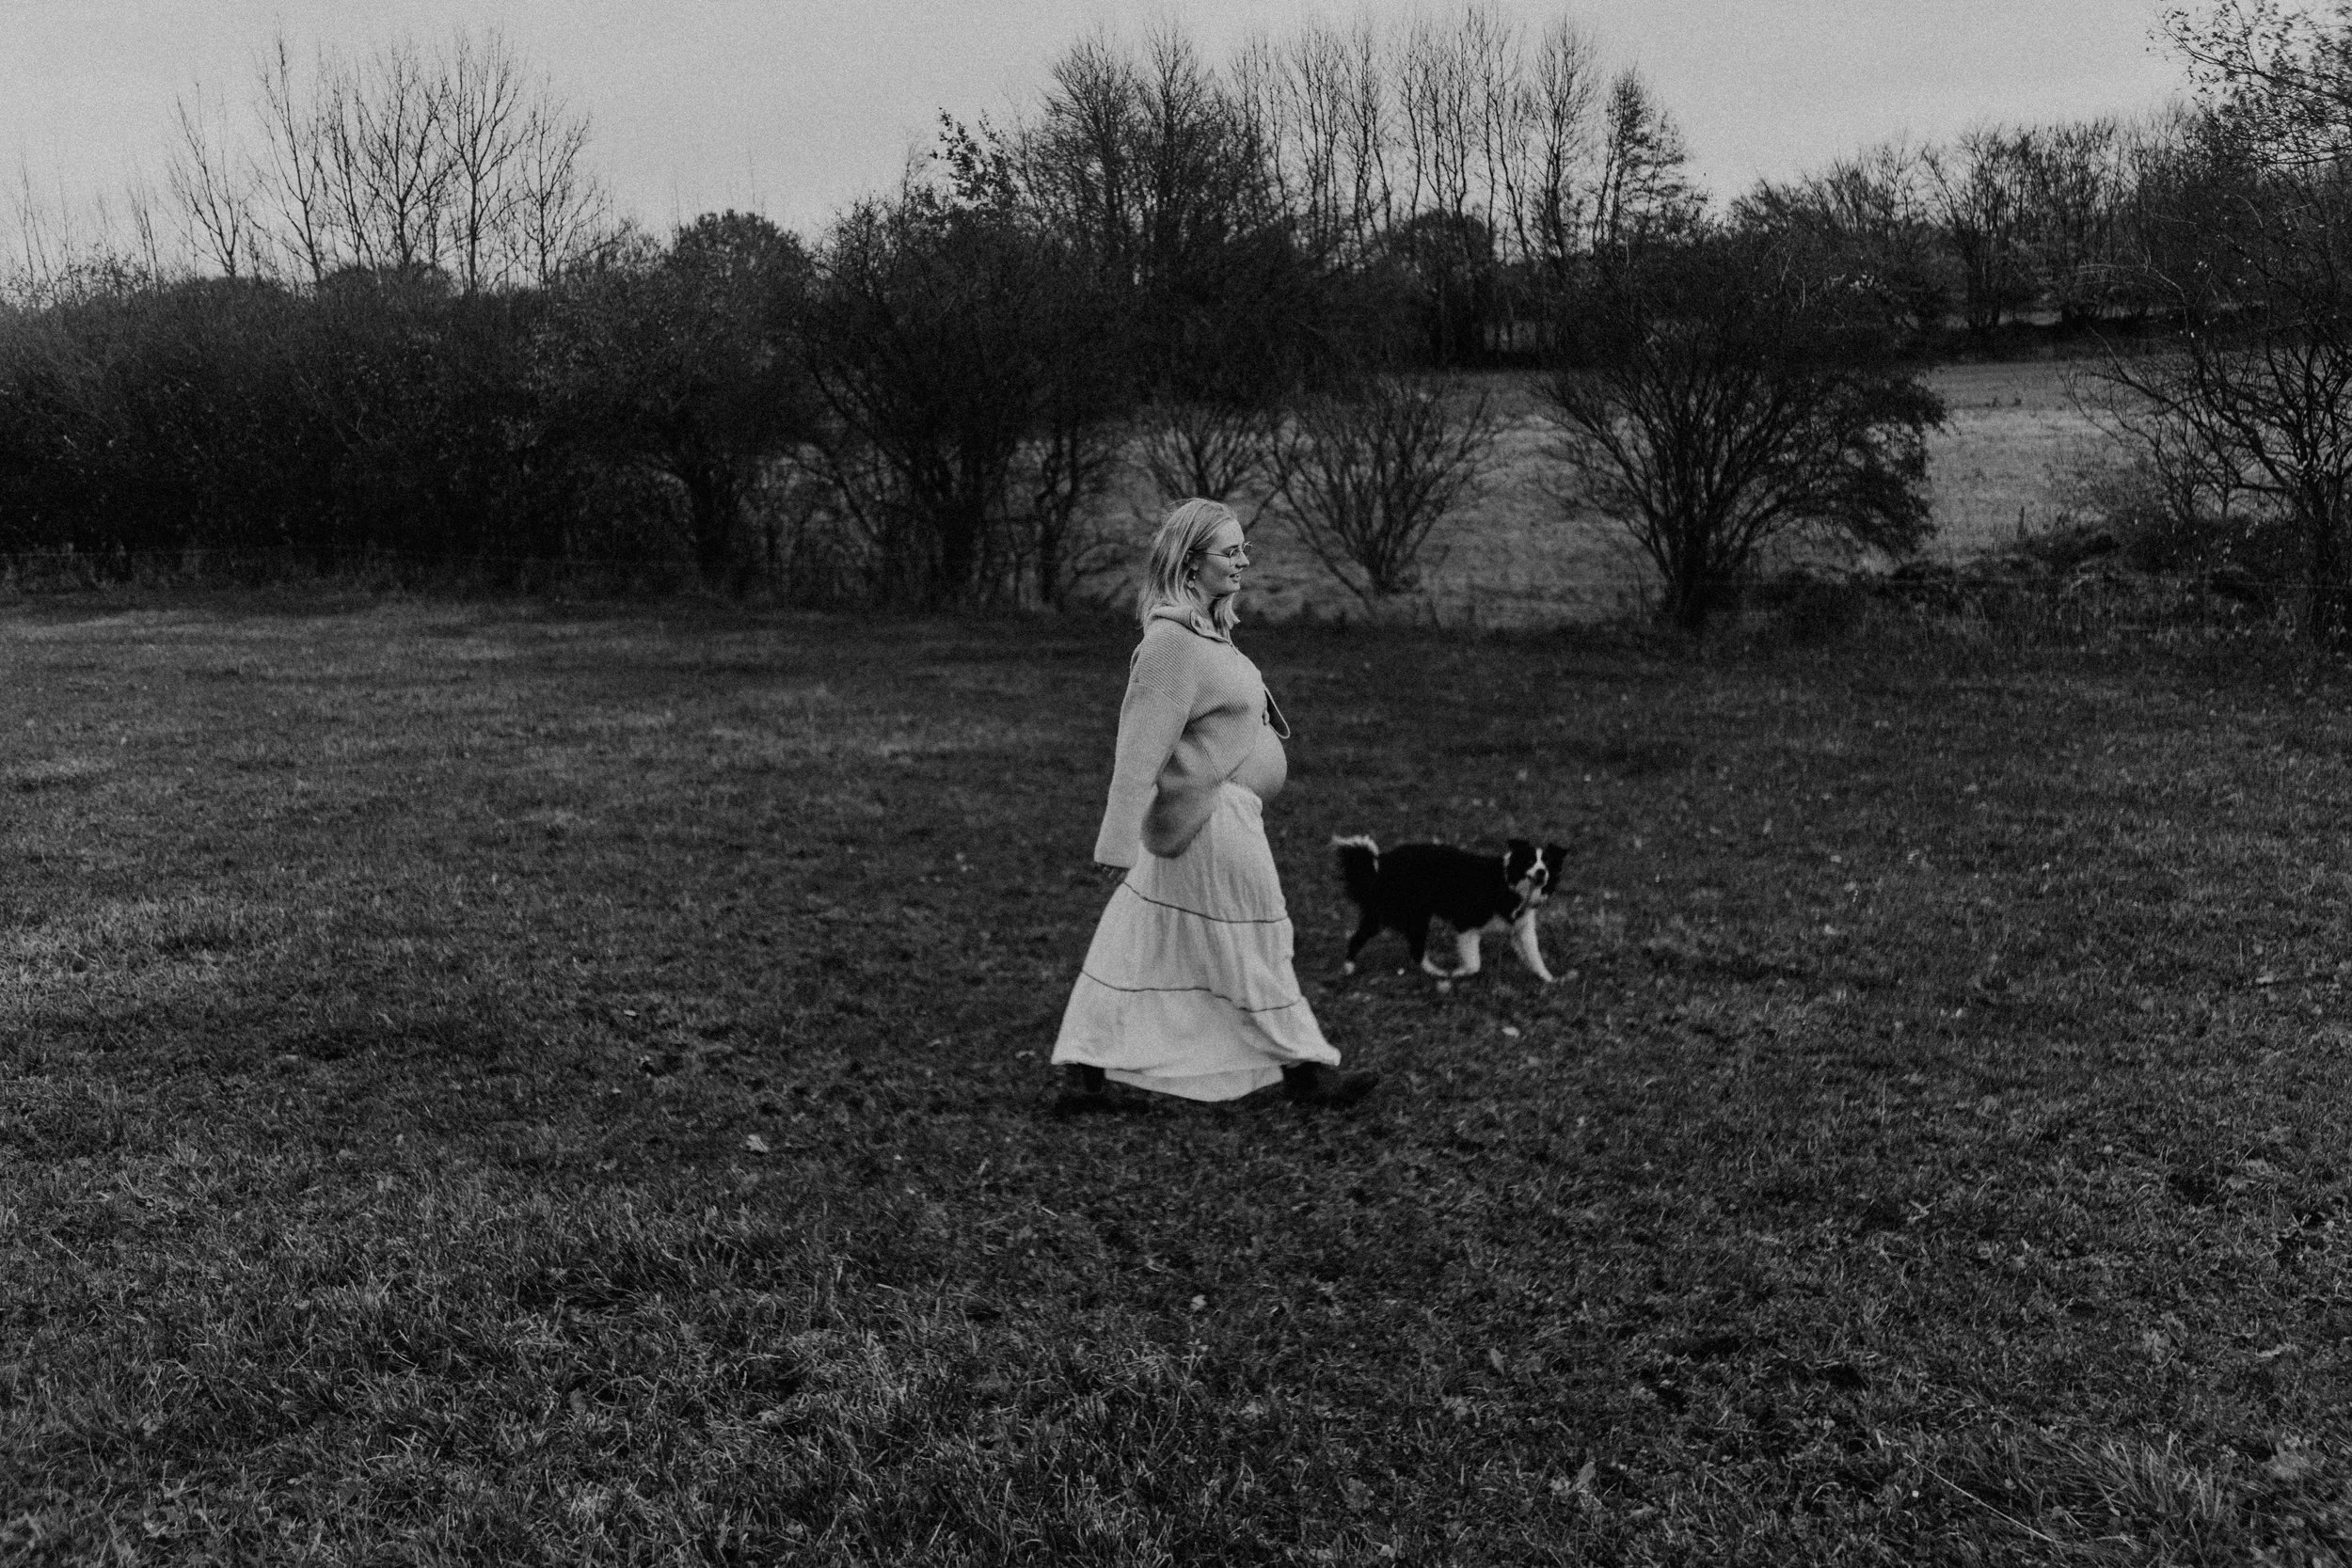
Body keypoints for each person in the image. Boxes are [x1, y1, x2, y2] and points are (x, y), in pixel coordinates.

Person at [1052, 499, 1378, 1108]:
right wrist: (1116, 842)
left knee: (1136, 935)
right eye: (1230, 552)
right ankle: (1306, 1072)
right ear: (1190, 562)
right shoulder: (1170, 645)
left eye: (1243, 549)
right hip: (1210, 818)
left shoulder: (1207, 633)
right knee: (1258, 936)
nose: (1243, 561)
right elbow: (1138, 749)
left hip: (1210, 814)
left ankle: (1084, 1077)